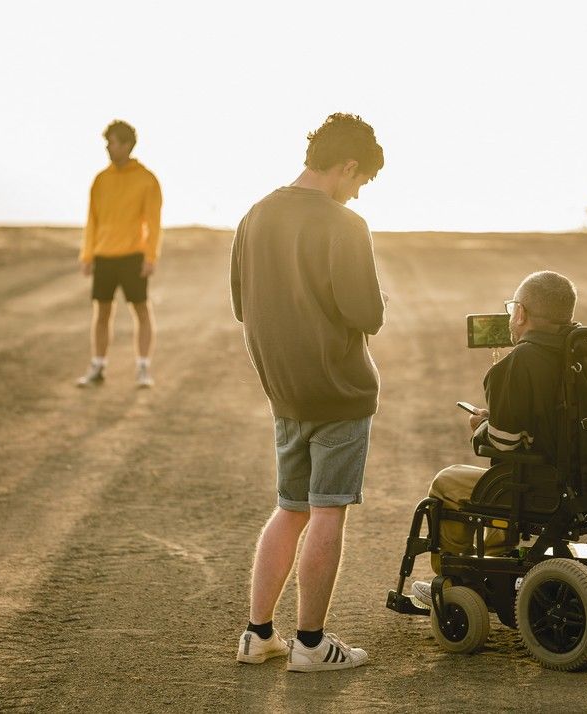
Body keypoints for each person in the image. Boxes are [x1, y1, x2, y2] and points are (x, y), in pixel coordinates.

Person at [231, 113, 386, 672]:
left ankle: (257, 634)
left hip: (285, 392)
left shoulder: (254, 217)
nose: (357, 192)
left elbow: (241, 304)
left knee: (290, 508)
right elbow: (366, 312)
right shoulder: (346, 226)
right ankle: (312, 644)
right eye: (361, 180)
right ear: (347, 166)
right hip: (339, 390)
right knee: (327, 512)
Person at [411, 270, 578, 607]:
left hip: (544, 489)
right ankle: (499, 566)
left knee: (451, 482)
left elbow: (503, 445)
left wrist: (482, 427)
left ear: (520, 314)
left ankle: (454, 582)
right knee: (508, 477)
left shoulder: (517, 364)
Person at [76, 119, 163, 388]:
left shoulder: (147, 179)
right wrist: (87, 255)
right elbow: (92, 220)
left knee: (141, 310)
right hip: (104, 256)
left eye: (111, 142)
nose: (108, 148)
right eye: (106, 143)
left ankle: (143, 368)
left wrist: (150, 257)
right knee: (101, 312)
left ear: (127, 145)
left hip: (133, 256)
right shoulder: (100, 180)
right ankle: (98, 366)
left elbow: (154, 221)